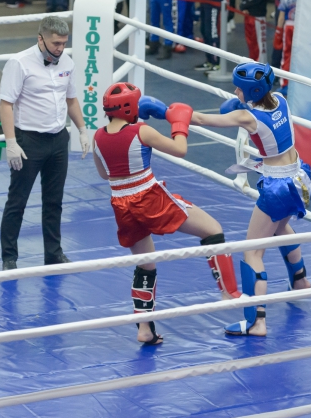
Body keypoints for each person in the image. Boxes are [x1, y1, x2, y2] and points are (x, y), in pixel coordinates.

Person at [93, 83, 241, 345]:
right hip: (149, 197)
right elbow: (179, 149)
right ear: (129, 107)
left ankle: (145, 329)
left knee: (146, 264)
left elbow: (105, 174)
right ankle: (229, 293)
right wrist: (179, 122)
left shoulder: (98, 137)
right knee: (213, 230)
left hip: (121, 204)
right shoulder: (141, 131)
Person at [191, 62, 311, 336]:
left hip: (278, 185)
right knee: (280, 227)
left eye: (239, 89)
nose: (235, 92)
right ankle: (300, 281)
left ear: (252, 91)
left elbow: (201, 119)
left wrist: (169, 113)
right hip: (299, 176)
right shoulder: (280, 99)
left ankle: (257, 322)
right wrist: (242, 103)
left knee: (252, 251)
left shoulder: (248, 118)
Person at [0, 17, 89, 270]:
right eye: (56, 43)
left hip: (58, 140)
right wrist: (11, 142)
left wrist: (82, 129)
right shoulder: (19, 63)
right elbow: (6, 104)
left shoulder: (67, 62)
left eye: (64, 43)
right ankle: (9, 258)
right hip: (29, 141)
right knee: (17, 201)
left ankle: (53, 253)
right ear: (41, 39)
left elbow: (71, 99)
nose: (60, 48)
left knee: (54, 201)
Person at [276, 0, 300, 91]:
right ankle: (300, 83)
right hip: (301, 28)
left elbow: (281, 17)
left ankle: (285, 84)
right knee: (301, 54)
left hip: (289, 26)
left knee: (286, 54)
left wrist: (278, 32)